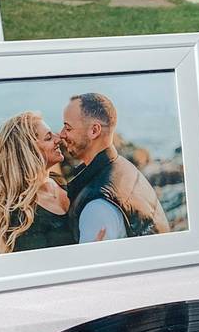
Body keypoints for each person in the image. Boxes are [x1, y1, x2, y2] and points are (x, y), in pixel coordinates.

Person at [60, 93, 169, 243]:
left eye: (68, 128)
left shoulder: (97, 207)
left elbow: (92, 265)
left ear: (94, 131)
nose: (61, 135)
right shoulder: (123, 167)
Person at [0, 112, 75, 254]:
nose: (59, 138)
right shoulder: (22, 217)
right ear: (30, 152)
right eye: (49, 137)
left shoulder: (58, 181)